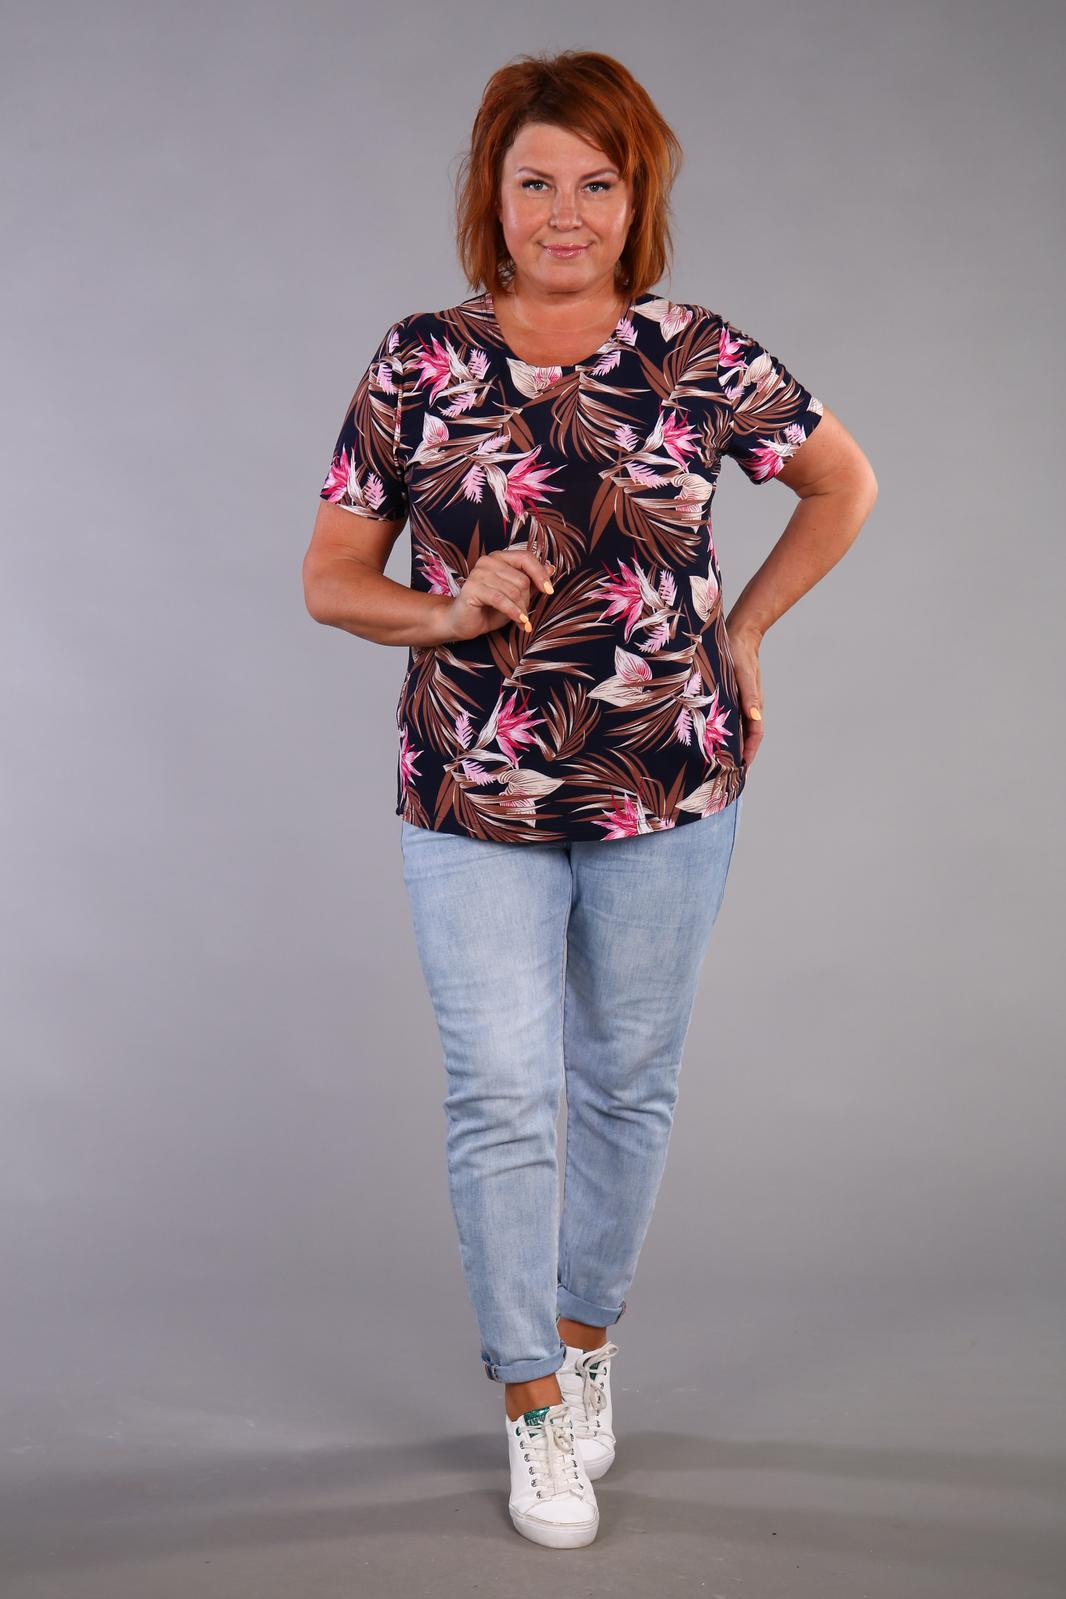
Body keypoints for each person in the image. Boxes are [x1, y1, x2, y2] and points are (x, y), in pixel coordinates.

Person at [303, 49, 877, 1551]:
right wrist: (444, 610)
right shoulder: (416, 362)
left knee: (624, 1083)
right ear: (490, 197)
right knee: (500, 1095)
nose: (565, 213)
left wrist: (745, 633)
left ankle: (585, 1334)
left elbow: (843, 485)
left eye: (597, 183)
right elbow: (331, 580)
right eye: (535, 181)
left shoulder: (700, 355)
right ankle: (530, 1404)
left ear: (639, 199)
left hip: (670, 783)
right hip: (472, 792)